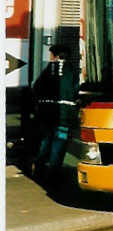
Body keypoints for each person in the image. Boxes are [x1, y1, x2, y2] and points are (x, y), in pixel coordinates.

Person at [31, 43, 79, 183]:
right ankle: (53, 173)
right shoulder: (72, 70)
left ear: (56, 56)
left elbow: (36, 88)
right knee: (59, 142)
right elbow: (76, 90)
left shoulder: (48, 69)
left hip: (46, 114)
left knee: (46, 140)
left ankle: (39, 168)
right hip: (64, 115)